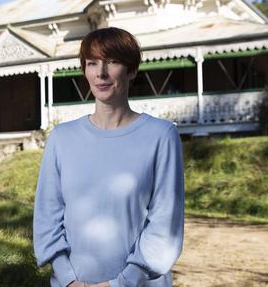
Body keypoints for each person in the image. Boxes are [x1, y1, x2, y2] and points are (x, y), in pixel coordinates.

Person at [33, 27, 184, 287]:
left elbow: (164, 223)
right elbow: (47, 218)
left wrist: (120, 283)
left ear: (132, 70)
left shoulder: (161, 136)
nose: (101, 73)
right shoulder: (61, 139)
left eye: (112, 62)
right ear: (84, 70)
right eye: (92, 63)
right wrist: (68, 280)